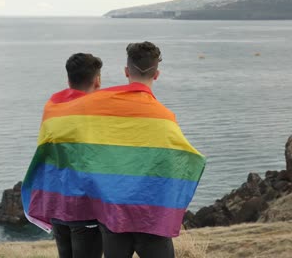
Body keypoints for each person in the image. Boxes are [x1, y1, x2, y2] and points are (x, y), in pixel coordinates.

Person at [81, 41, 206, 258]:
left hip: (113, 210)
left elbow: (88, 151)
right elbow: (182, 160)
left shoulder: (100, 108)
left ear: (126, 71)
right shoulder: (163, 117)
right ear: (157, 74)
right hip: (151, 214)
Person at [21, 53, 103, 258]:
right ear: (97, 80)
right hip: (86, 205)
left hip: (57, 201)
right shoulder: (99, 111)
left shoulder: (52, 108)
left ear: (68, 80)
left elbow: (46, 152)